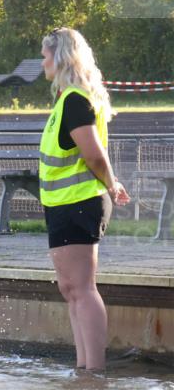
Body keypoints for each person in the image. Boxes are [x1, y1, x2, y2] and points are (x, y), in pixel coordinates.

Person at [38, 27, 130, 372]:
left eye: (45, 55)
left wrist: (111, 183)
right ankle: (83, 367)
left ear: (60, 57)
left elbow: (92, 154)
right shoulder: (66, 100)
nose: (42, 61)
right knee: (70, 287)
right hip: (64, 204)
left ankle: (94, 370)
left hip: (79, 203)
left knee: (82, 287)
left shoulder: (75, 100)